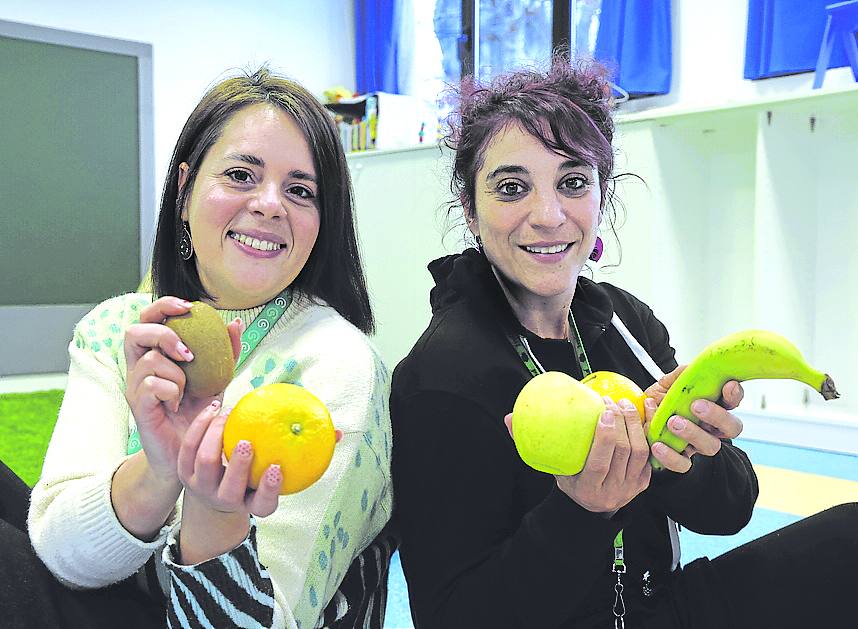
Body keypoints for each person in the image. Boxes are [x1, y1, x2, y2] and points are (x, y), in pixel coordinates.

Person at [390, 57, 857, 629]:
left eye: (573, 182)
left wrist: (684, 457)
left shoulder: (623, 323)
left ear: (601, 197)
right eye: (512, 187)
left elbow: (734, 508)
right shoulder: (443, 376)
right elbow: (453, 617)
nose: (548, 215)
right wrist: (581, 509)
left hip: (658, 608)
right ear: (470, 207)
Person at [1, 67, 394, 629]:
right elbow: (63, 556)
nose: (270, 204)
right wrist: (159, 470)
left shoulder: (338, 365)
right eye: (240, 174)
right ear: (184, 193)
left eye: (301, 191)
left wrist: (214, 510)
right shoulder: (118, 331)